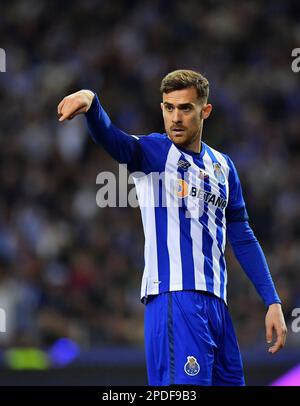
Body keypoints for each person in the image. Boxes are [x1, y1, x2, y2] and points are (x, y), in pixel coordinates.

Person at [57, 69, 287, 386]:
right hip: (174, 300)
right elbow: (113, 139)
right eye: (169, 107)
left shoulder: (223, 166)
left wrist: (272, 301)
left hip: (217, 307)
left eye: (185, 108)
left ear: (205, 111)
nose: (175, 117)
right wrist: (92, 104)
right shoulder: (154, 153)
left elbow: (242, 235)